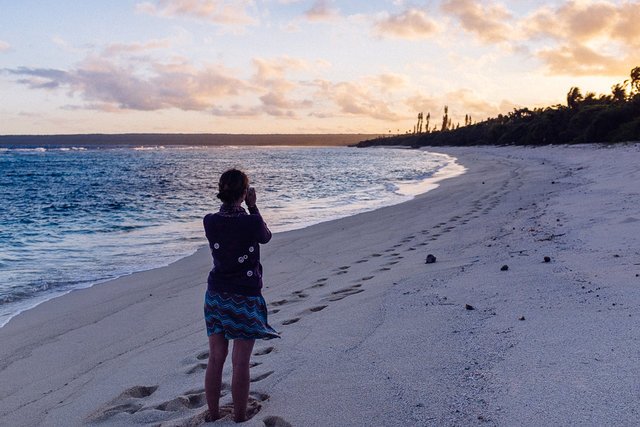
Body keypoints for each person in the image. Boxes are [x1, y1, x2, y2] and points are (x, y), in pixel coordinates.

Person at [203, 168, 279, 422]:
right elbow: (265, 237)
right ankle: (239, 416)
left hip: (215, 295)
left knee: (215, 358)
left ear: (221, 192)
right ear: (245, 193)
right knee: (241, 361)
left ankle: (213, 414)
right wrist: (254, 207)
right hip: (244, 296)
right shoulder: (251, 221)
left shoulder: (209, 221)